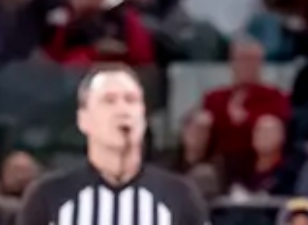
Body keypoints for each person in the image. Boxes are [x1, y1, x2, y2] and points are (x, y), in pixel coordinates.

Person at [14, 66, 208, 225]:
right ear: (83, 119)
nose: (123, 110)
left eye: (131, 100)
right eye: (109, 101)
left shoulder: (180, 194)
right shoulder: (48, 195)